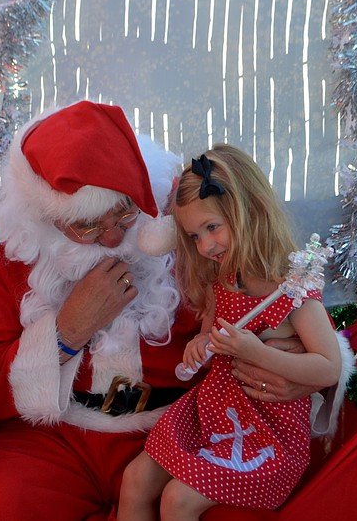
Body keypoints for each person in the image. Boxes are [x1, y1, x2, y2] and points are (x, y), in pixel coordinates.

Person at [0, 102, 353, 521]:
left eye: (124, 214)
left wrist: (289, 365)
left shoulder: (188, 221)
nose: (111, 239)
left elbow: (278, 296)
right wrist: (67, 330)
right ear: (44, 216)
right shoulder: (10, 250)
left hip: (192, 423)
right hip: (58, 438)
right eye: (86, 226)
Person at [118, 144, 345, 520]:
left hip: (265, 433)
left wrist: (258, 352)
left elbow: (328, 367)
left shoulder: (292, 288)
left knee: (177, 500)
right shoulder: (222, 280)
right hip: (212, 411)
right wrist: (199, 345)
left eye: (212, 228)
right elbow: (209, 339)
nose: (205, 246)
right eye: (193, 236)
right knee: (135, 480)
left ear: (249, 211)